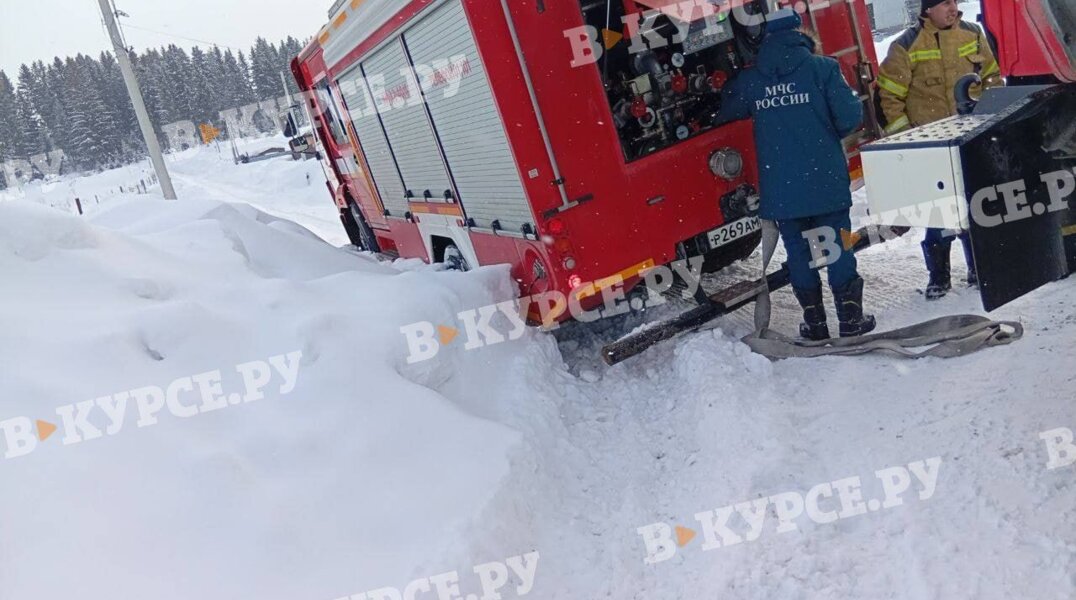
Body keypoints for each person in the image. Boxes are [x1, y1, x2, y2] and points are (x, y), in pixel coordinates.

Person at [717, 9, 874, 339]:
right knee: (837, 246)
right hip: (825, 181)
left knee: (798, 254)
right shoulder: (824, 68)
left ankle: (815, 325)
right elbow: (849, 117)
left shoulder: (752, 80)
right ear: (802, 35)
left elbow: (725, 110)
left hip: (782, 189)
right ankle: (851, 320)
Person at [877, 0, 1003, 299]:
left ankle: (979, 268)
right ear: (928, 10)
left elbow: (993, 80)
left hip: (970, 138)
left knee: (974, 206)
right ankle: (939, 277)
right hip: (931, 146)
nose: (952, 8)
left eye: (955, 2)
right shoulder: (905, 45)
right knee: (939, 211)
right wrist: (909, 138)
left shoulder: (972, 34)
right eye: (945, 3)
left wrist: (989, 121)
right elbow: (890, 96)